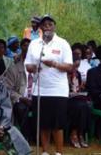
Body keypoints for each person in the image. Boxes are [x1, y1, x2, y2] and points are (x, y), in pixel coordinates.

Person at [25, 14, 73, 155]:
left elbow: (69, 67)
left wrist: (54, 64)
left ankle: (58, 152)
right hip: (39, 89)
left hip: (58, 90)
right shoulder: (34, 44)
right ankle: (45, 151)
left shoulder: (63, 43)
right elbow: (28, 65)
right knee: (43, 123)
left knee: (57, 124)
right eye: (44, 25)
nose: (47, 27)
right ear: (40, 28)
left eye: (50, 24)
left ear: (54, 26)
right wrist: (35, 67)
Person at [5, 38, 34, 141]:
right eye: (25, 45)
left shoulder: (40, 68)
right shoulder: (14, 68)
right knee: (21, 108)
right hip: (21, 99)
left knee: (45, 107)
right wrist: (21, 98)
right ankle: (25, 138)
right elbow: (8, 89)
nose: (27, 48)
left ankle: (40, 136)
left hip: (37, 98)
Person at [67, 58, 91, 148]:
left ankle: (80, 133)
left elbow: (78, 88)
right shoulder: (64, 74)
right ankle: (73, 133)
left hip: (77, 97)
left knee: (86, 107)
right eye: (74, 66)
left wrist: (81, 88)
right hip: (67, 99)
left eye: (77, 67)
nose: (75, 69)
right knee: (79, 107)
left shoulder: (78, 74)